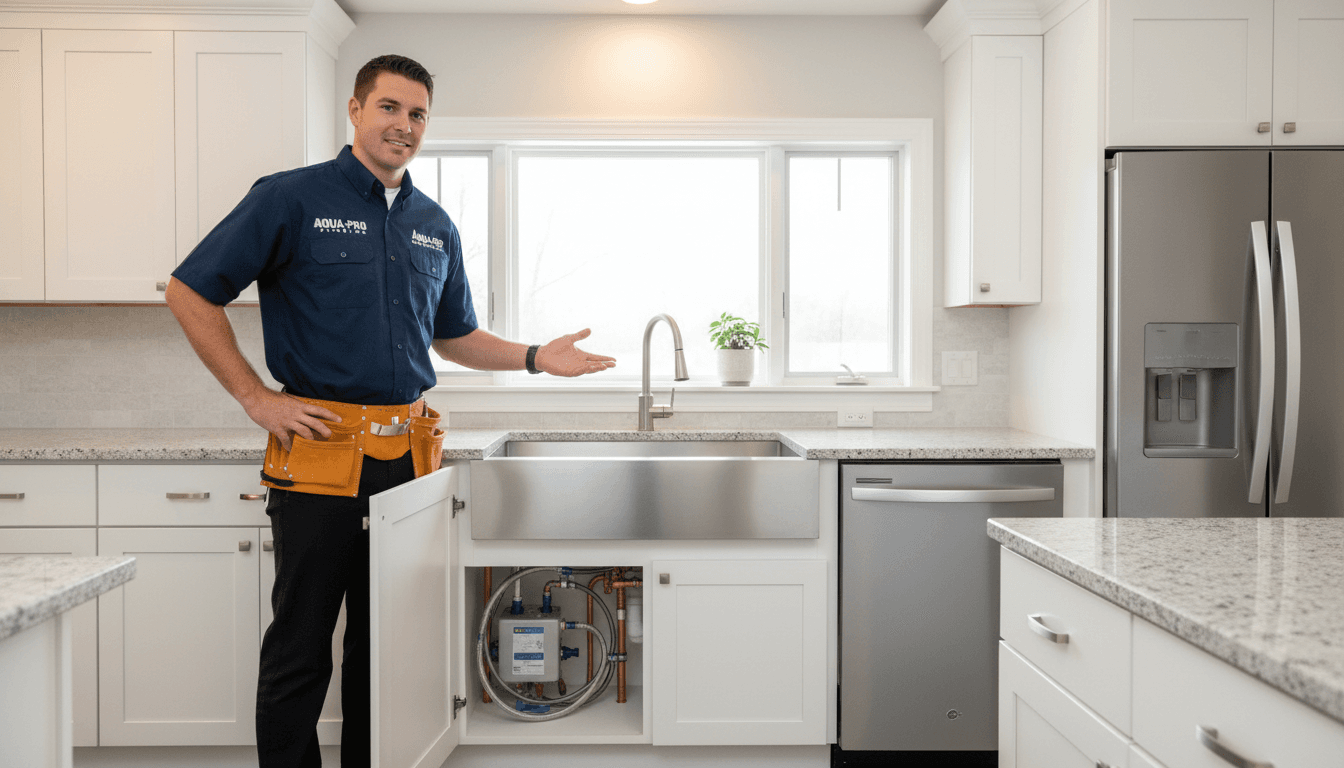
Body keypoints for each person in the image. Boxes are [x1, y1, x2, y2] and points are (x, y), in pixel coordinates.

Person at [165, 54, 614, 768]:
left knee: (382, 647)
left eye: (417, 115)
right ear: (355, 109)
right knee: (301, 645)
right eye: (390, 108)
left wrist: (535, 356)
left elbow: (454, 335)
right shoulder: (291, 198)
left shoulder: (433, 224)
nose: (403, 126)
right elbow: (190, 290)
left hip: (408, 463)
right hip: (317, 454)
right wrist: (256, 397)